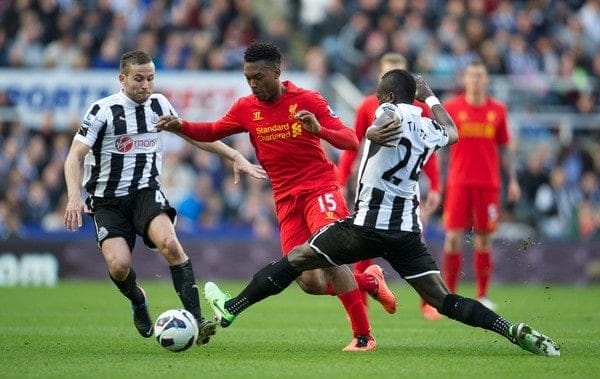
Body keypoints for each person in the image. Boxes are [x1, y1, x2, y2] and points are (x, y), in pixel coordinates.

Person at [202, 69, 560, 357]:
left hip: (367, 226)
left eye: (378, 95)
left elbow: (382, 119)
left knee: (297, 257)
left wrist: (373, 129)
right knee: (444, 300)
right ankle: (509, 330)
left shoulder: (386, 111)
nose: (376, 101)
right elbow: (452, 132)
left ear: (387, 97)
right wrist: (431, 96)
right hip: (406, 233)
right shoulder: (428, 125)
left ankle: (233, 307)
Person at [157, 41, 397, 352]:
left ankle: (363, 336)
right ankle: (370, 282)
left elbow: (351, 140)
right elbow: (214, 130)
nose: (253, 84)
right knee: (308, 282)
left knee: (330, 253)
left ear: (276, 72)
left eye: (258, 77)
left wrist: (318, 130)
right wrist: (181, 126)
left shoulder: (308, 99)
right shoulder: (246, 108)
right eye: (248, 78)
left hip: (320, 188)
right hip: (285, 199)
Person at [63, 50, 266, 345]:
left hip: (146, 192)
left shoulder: (160, 105)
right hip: (107, 201)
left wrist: (235, 154)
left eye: (150, 78)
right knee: (119, 266)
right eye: (138, 79)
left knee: (171, 244)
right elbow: (73, 157)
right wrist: (73, 196)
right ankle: (138, 300)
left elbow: (193, 135)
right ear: (122, 79)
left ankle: (197, 321)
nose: (146, 85)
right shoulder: (102, 111)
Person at [337, 52, 443, 320]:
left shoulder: (418, 110)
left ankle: (428, 302)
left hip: (404, 189)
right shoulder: (366, 107)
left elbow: (427, 151)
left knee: (414, 243)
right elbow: (353, 143)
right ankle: (361, 306)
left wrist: (436, 185)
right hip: (372, 189)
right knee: (362, 245)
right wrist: (340, 180)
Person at [440, 60, 521, 312]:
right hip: (459, 182)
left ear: (487, 80)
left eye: (480, 75)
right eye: (471, 75)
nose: (475, 80)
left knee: (484, 238)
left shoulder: (498, 110)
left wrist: (513, 180)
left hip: (488, 183)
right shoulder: (452, 108)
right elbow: (441, 148)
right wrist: (437, 180)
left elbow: (504, 147)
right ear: (464, 80)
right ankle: (449, 295)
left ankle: (482, 294)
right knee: (453, 238)